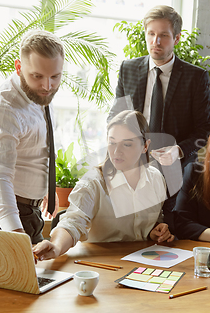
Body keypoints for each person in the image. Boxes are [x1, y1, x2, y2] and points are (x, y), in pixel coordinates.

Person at [108, 5, 210, 229]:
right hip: (132, 163)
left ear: (176, 38)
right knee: (130, 227)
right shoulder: (128, 68)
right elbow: (116, 117)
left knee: (168, 229)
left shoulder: (195, 77)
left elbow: (206, 128)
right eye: (151, 34)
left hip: (174, 168)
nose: (156, 41)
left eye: (163, 35)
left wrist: (179, 150)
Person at [33, 110, 174, 261]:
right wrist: (57, 246)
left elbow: (154, 219)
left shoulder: (156, 179)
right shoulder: (93, 183)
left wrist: (155, 230)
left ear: (145, 146)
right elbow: (72, 222)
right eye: (112, 142)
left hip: (143, 263)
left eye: (127, 144)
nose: (116, 151)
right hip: (103, 265)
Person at [0, 30, 62, 244]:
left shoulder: (40, 93)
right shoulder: (4, 107)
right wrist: (16, 234)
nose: (48, 86)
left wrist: (46, 186)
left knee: (41, 278)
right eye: (37, 76)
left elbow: (36, 148)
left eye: (55, 76)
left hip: (29, 213)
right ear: (19, 67)